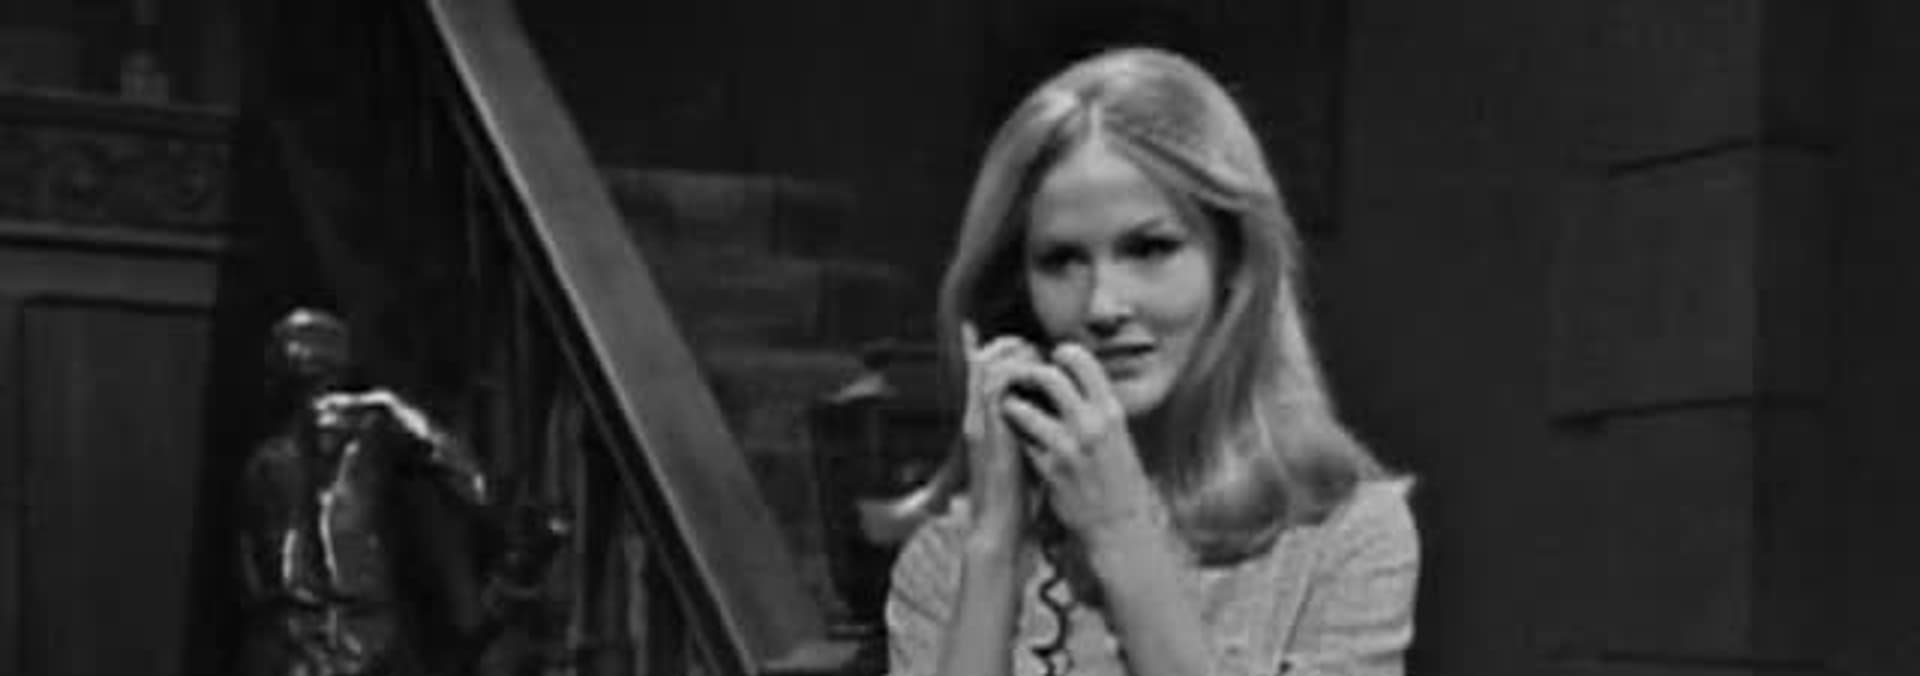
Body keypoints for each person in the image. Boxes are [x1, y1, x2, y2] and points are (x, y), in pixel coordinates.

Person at [884, 48, 1418, 676]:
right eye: (1061, 261)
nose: (1103, 305)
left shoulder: (1349, 538)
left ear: (1232, 265)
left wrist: (1120, 530)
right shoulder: (947, 561)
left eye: (1150, 248)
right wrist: (995, 548)